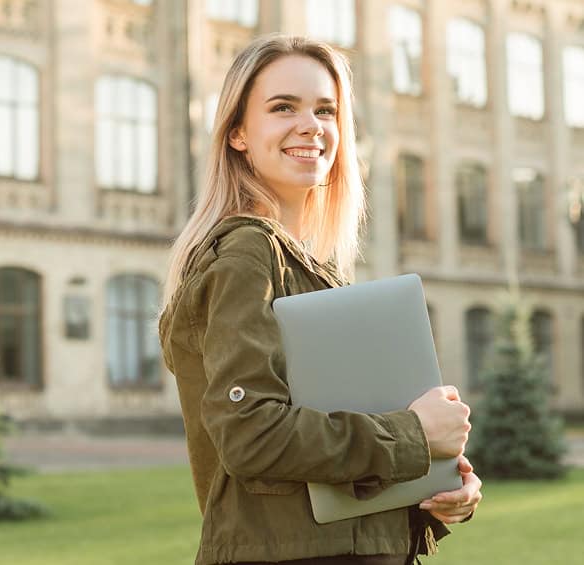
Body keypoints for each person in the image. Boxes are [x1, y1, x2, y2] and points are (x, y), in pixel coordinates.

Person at [157, 34, 482, 565]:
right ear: (238, 133)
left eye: (326, 110)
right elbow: (251, 437)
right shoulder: (246, 252)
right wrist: (414, 432)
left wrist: (439, 489)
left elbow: (332, 467)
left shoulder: (317, 269)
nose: (311, 125)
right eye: (283, 107)